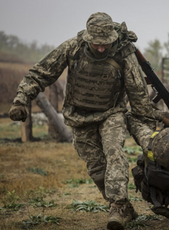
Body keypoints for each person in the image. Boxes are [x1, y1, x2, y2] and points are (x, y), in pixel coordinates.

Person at [8, 12, 156, 230]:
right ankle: (123, 206)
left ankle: (116, 207)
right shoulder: (73, 48)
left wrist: (146, 129)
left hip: (111, 112)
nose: (102, 48)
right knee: (96, 167)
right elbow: (41, 73)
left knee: (114, 152)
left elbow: (138, 93)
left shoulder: (124, 53)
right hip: (79, 116)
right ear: (88, 38)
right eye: (97, 44)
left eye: (106, 44)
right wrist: (21, 99)